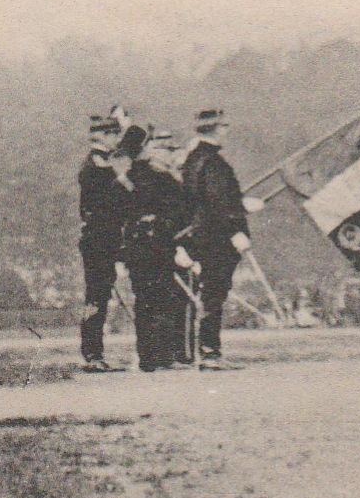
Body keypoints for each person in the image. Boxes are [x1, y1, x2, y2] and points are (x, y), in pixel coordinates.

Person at [178, 108, 250, 370]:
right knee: (214, 294)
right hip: (216, 237)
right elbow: (219, 202)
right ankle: (210, 352)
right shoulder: (212, 162)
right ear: (217, 128)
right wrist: (236, 230)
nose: (226, 130)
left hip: (203, 234)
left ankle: (208, 351)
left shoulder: (193, 160)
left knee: (210, 293)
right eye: (224, 125)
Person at [121, 127, 189, 372]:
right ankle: (163, 355)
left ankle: (149, 356)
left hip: (139, 246)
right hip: (156, 245)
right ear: (145, 148)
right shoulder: (153, 175)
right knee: (162, 298)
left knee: (146, 302)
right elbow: (174, 204)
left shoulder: (131, 176)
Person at [78, 115, 131, 371]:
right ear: (105, 136)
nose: (116, 141)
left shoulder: (99, 163)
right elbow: (111, 202)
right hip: (100, 240)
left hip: (100, 239)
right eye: (114, 135)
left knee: (98, 295)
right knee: (97, 296)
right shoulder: (97, 166)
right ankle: (92, 353)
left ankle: (93, 352)